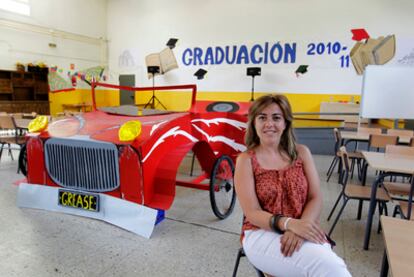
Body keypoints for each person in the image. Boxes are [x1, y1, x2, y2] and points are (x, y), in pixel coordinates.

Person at [234, 94, 351, 277]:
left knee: (332, 266)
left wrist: (300, 227)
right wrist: (289, 224)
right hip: (261, 232)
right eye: (262, 117)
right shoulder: (246, 160)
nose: (269, 124)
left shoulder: (302, 153)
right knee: (330, 268)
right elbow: (252, 213)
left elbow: (315, 197)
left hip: (304, 225)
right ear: (253, 123)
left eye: (276, 117)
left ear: (286, 123)